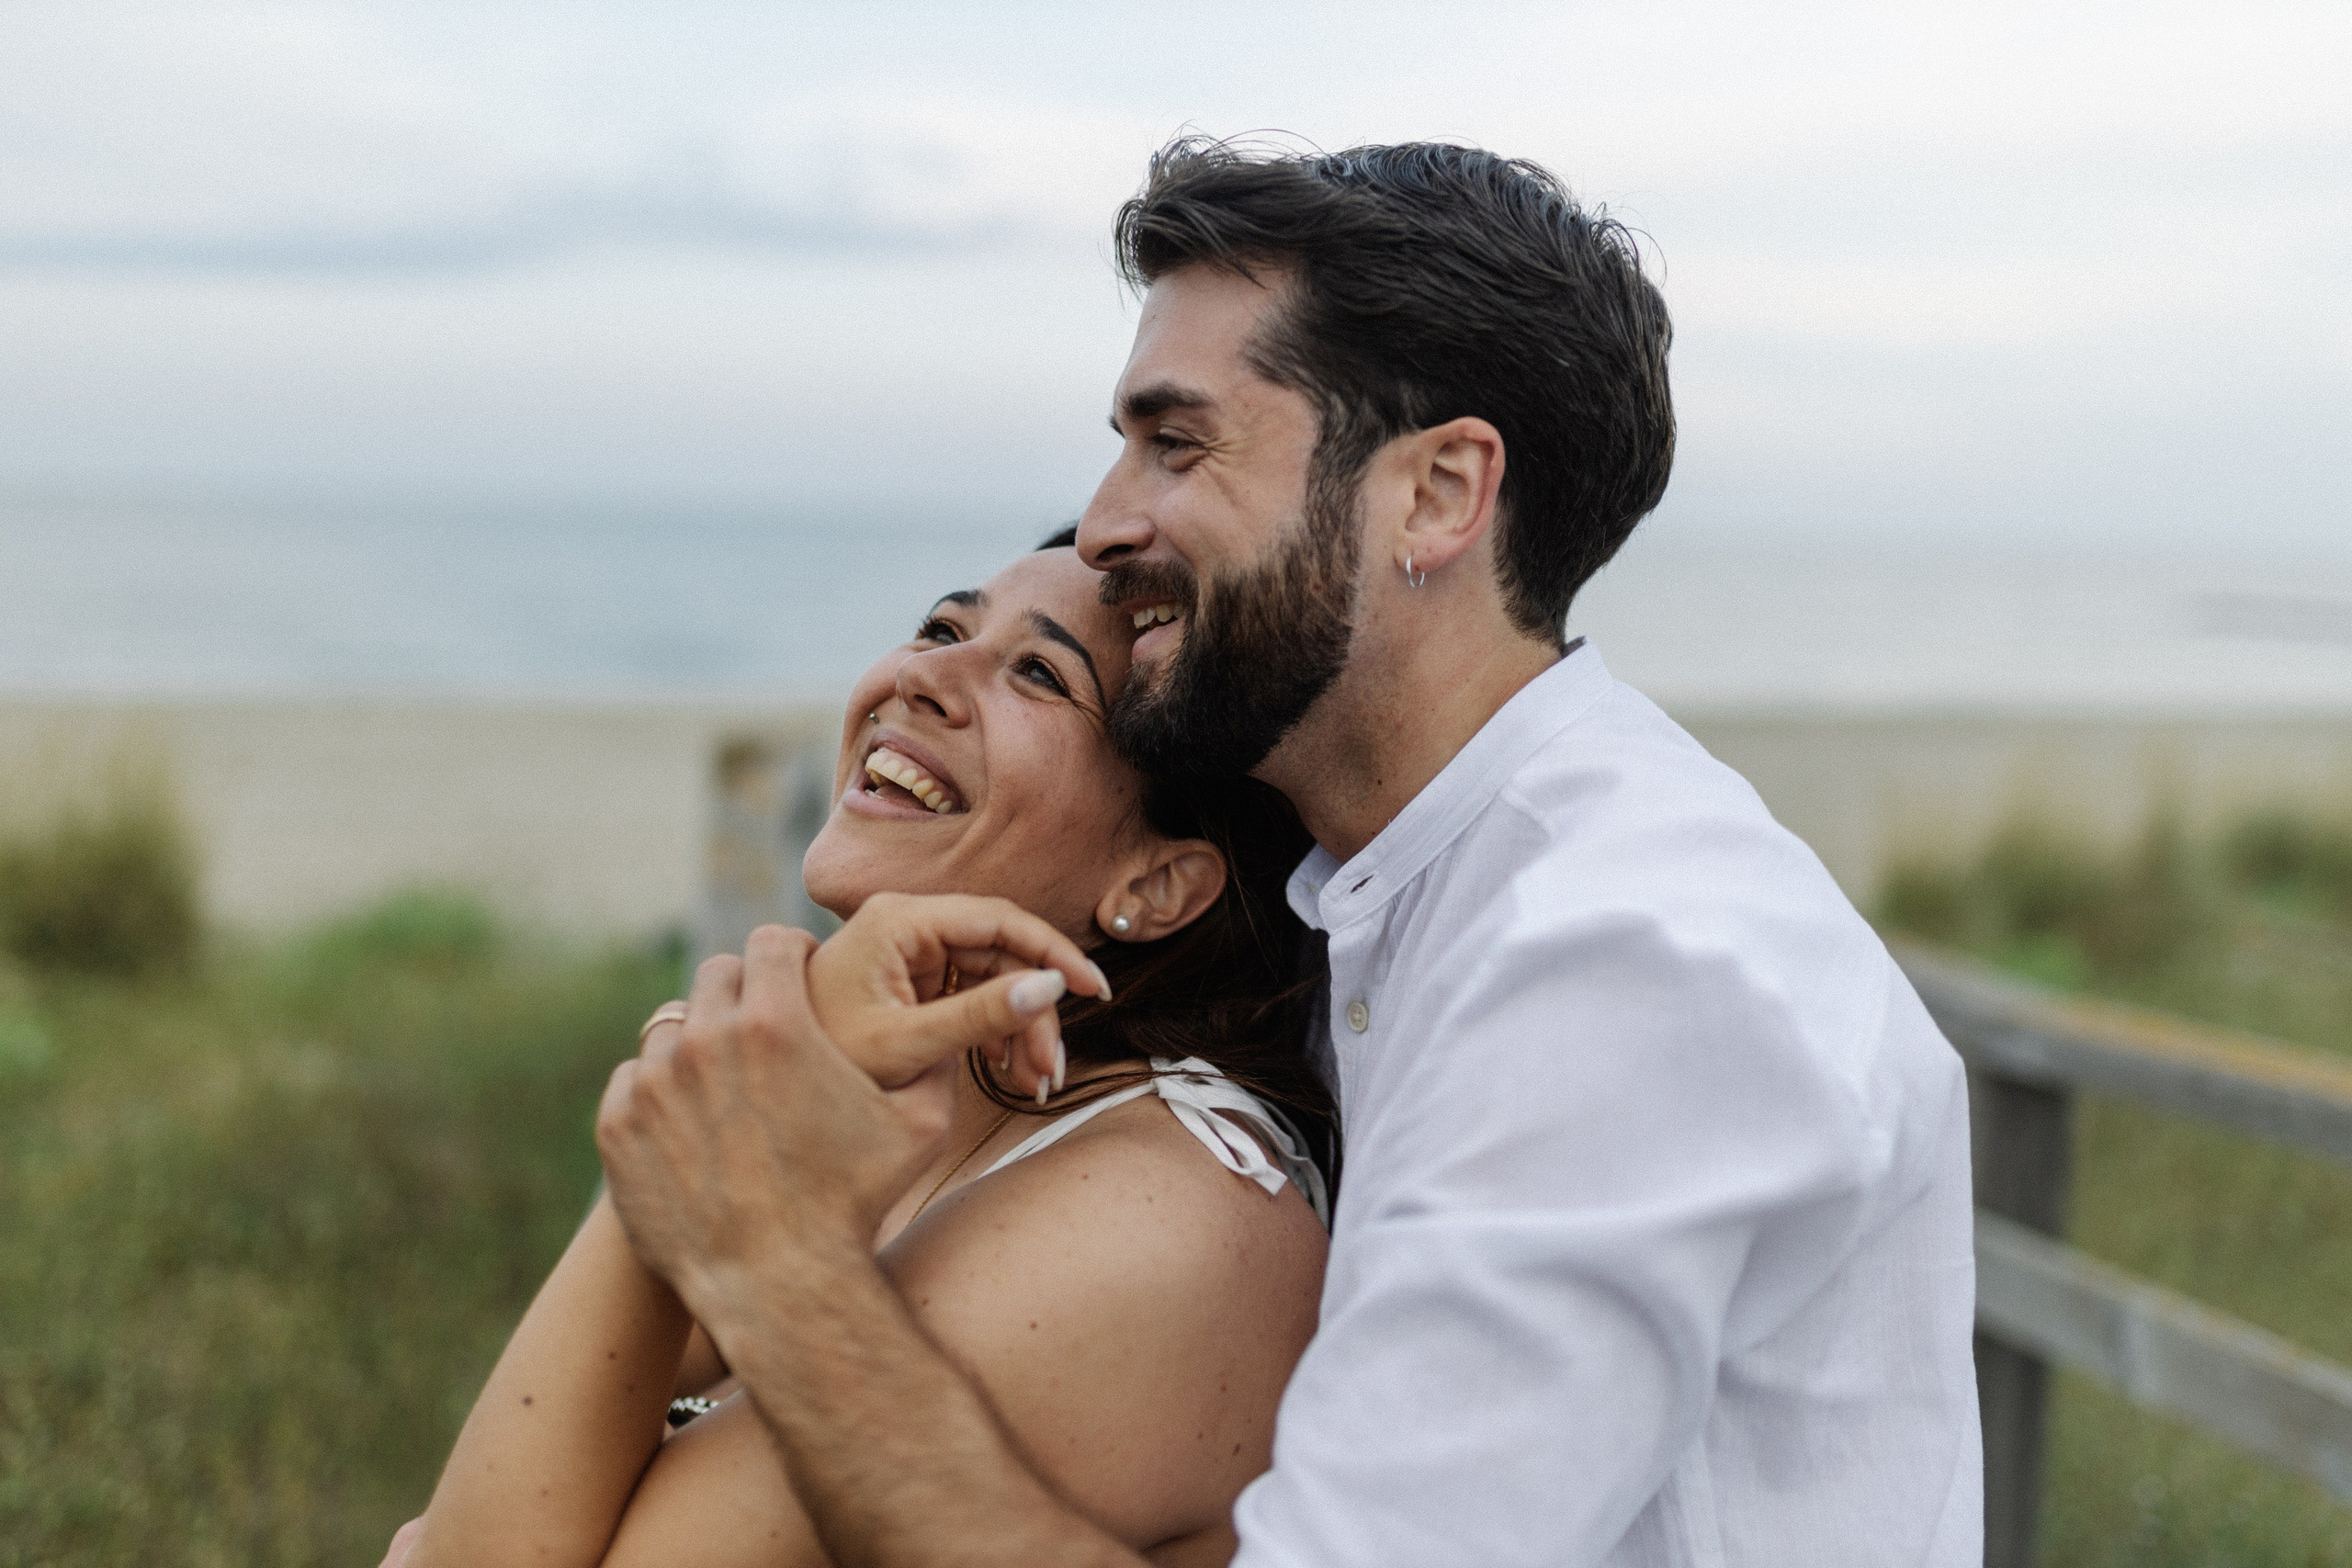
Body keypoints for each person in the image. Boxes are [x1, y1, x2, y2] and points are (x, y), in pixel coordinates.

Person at [595, 137, 1984, 1567]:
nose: (1109, 521)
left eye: (1177, 442)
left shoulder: (1625, 960)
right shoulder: (1400, 898)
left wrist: (773, 1266)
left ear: (1440, 493)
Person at [390, 541, 1338, 1567]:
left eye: (1039, 673)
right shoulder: (945, 1101)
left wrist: (689, 1109)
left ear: (1156, 886)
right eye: (941, 629)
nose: (919, 677)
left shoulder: (1148, 1224)